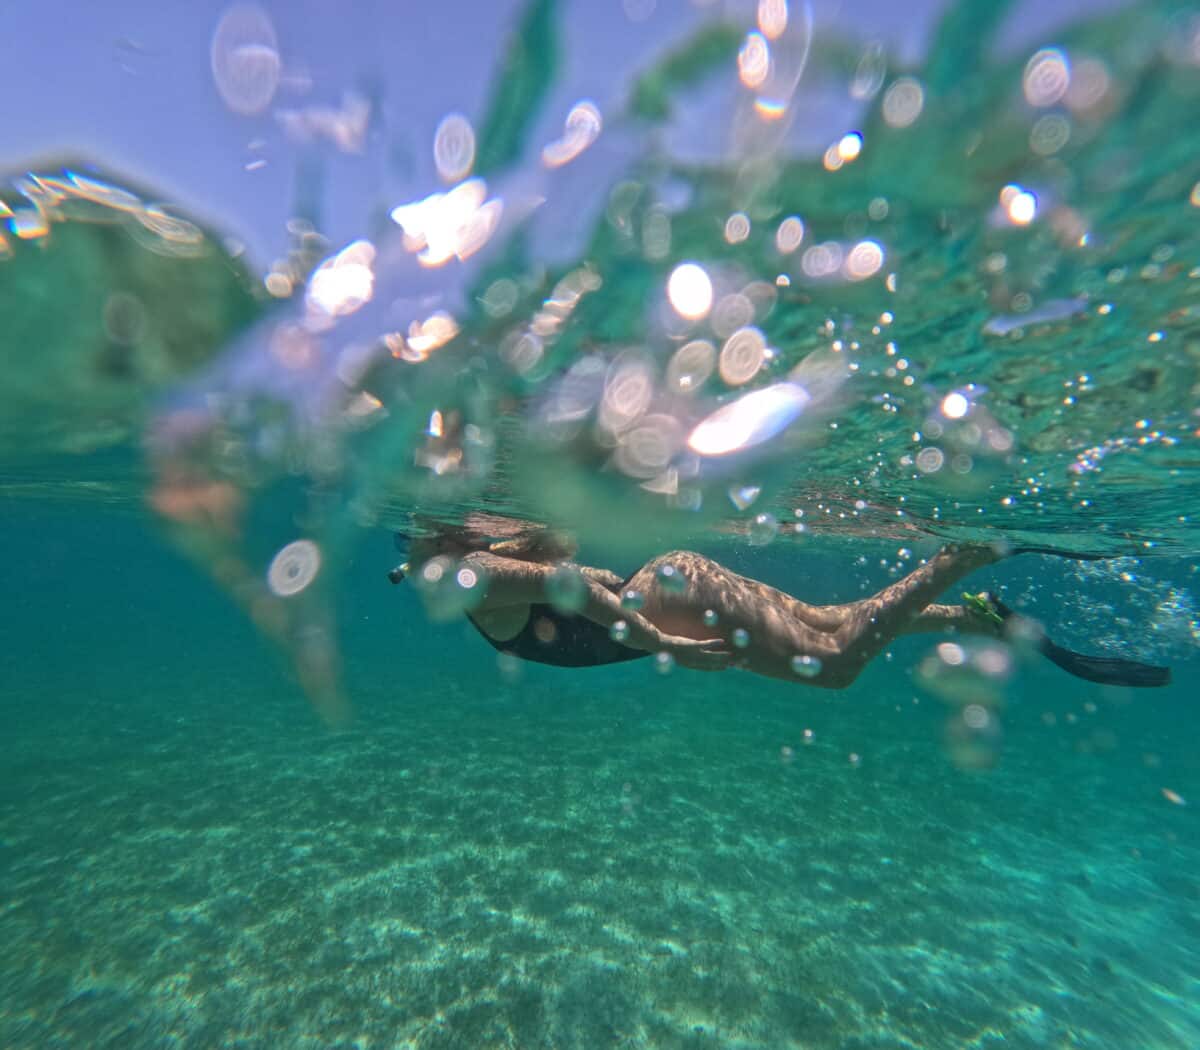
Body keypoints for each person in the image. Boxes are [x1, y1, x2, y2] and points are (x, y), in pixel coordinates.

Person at [387, 516, 1170, 688]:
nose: (405, 556)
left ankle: (957, 561)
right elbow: (582, 585)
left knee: (829, 665)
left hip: (668, 601)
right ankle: (972, 616)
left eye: (413, 543)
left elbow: (580, 599)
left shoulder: (475, 574)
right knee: (828, 625)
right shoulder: (470, 565)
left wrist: (671, 647)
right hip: (671, 583)